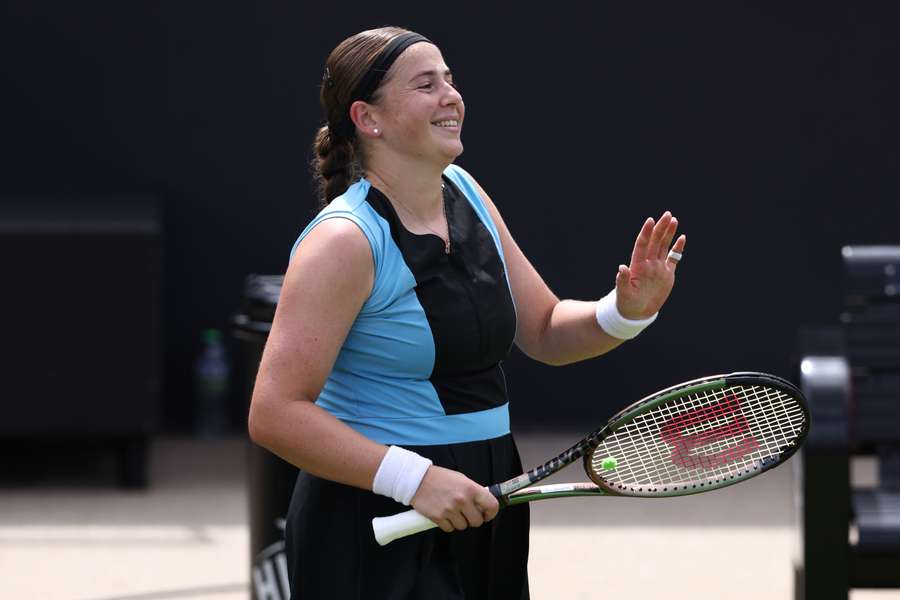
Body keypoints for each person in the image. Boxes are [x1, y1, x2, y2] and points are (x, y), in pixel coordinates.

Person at [248, 26, 687, 600]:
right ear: (368, 118)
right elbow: (274, 412)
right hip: (371, 519)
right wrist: (418, 481)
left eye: (450, 80)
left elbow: (546, 329)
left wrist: (626, 312)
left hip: (484, 496)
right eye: (425, 84)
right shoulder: (344, 241)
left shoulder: (466, 192)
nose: (450, 96)